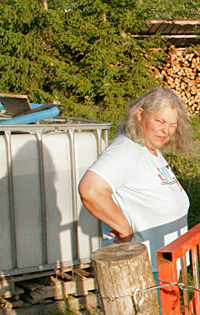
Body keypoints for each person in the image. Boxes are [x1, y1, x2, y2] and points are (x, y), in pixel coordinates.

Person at [79, 87, 191, 278]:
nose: (166, 130)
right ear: (140, 115)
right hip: (142, 271)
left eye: (172, 124)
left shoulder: (149, 149)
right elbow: (91, 189)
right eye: (160, 121)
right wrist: (124, 228)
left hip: (163, 265)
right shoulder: (126, 150)